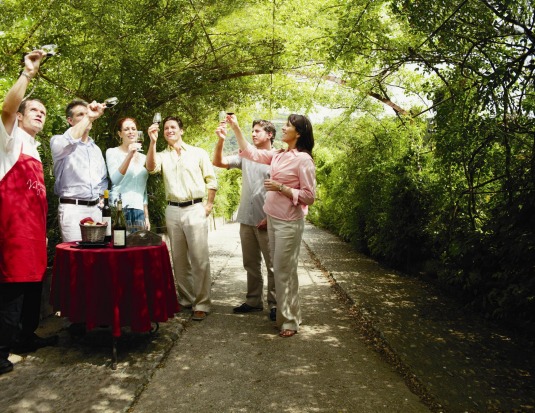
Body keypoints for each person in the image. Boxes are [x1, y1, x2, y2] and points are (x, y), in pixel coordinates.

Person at [228, 114, 315, 338]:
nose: (283, 128)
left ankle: (290, 321)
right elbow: (251, 153)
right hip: (273, 219)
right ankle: (285, 316)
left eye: (288, 126)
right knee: (279, 269)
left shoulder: (303, 159)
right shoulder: (279, 154)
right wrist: (236, 127)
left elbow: (309, 196)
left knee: (284, 271)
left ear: (299, 133)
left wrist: (281, 188)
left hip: (289, 222)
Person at [0, 50, 58, 375]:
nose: (40, 114)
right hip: (13, 234)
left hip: (35, 235)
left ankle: (25, 338)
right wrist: (27, 74)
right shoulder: (8, 141)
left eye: (44, 111)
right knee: (12, 293)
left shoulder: (35, 147)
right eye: (34, 109)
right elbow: (7, 107)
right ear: (20, 118)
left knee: (34, 290)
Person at [146, 116, 217, 321]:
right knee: (178, 259)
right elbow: (150, 168)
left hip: (195, 208)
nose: (169, 130)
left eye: (173, 127)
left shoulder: (198, 153)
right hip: (173, 210)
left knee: (199, 258)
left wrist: (208, 205)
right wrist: (152, 141)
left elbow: (211, 180)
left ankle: (202, 303)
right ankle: (186, 300)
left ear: (181, 130)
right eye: (166, 128)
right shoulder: (161, 155)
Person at [213, 119, 277, 321]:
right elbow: (218, 162)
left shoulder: (276, 158)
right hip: (246, 219)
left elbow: (282, 191)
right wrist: (221, 141)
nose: (254, 134)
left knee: (273, 265)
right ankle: (253, 301)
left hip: (268, 219)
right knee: (250, 263)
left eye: (258, 131)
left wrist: (270, 216)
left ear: (270, 135)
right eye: (252, 131)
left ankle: (275, 304)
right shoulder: (246, 156)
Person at [50, 99, 109, 242]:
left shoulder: (96, 149)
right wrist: (89, 116)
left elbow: (102, 180)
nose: (86, 117)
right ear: (70, 120)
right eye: (80, 115)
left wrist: (101, 201)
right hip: (72, 209)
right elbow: (69, 140)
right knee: (76, 259)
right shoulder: (59, 141)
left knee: (98, 258)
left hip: (96, 209)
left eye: (87, 114)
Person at [106, 117, 150, 229]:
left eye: (133, 128)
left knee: (138, 246)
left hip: (139, 211)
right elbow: (115, 179)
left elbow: (144, 189)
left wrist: (146, 216)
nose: (130, 131)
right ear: (120, 134)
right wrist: (130, 154)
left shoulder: (144, 158)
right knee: (120, 244)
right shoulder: (112, 152)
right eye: (126, 129)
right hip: (119, 209)